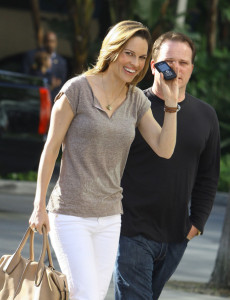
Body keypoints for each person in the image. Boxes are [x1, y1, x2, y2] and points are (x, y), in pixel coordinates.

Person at [29, 20, 180, 300]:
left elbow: (164, 149)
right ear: (113, 50)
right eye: (128, 53)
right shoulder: (76, 90)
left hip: (110, 217)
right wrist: (39, 206)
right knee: (84, 293)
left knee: (92, 295)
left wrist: (171, 104)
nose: (134, 63)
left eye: (142, 57)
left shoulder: (136, 100)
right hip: (70, 213)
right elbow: (50, 149)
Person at [114, 31, 220, 300]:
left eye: (184, 63)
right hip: (131, 230)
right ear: (153, 65)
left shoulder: (206, 115)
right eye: (169, 61)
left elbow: (209, 175)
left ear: (192, 68)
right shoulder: (132, 104)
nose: (176, 68)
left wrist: (196, 223)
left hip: (176, 234)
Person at [22, 31, 67, 101]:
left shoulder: (61, 62)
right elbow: (26, 77)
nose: (50, 44)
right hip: (34, 98)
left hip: (52, 100)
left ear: (56, 42)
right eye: (48, 41)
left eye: (52, 41)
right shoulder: (32, 56)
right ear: (44, 42)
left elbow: (61, 82)